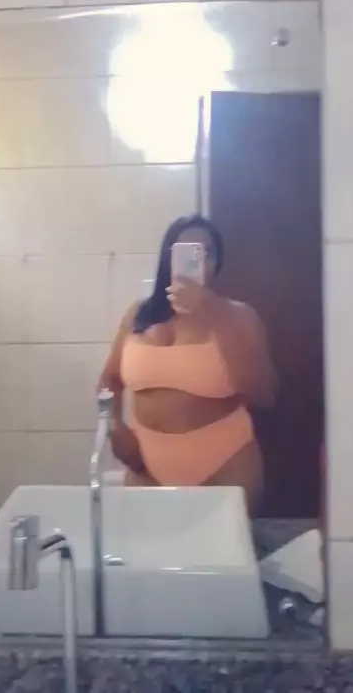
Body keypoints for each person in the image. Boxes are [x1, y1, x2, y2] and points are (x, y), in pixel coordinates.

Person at [97, 214, 276, 513]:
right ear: (168, 259)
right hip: (146, 469)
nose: (196, 262)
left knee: (221, 544)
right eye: (185, 251)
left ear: (217, 264)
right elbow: (109, 381)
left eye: (205, 253)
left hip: (225, 468)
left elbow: (264, 394)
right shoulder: (138, 316)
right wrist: (115, 428)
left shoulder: (238, 316)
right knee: (149, 544)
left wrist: (214, 316)